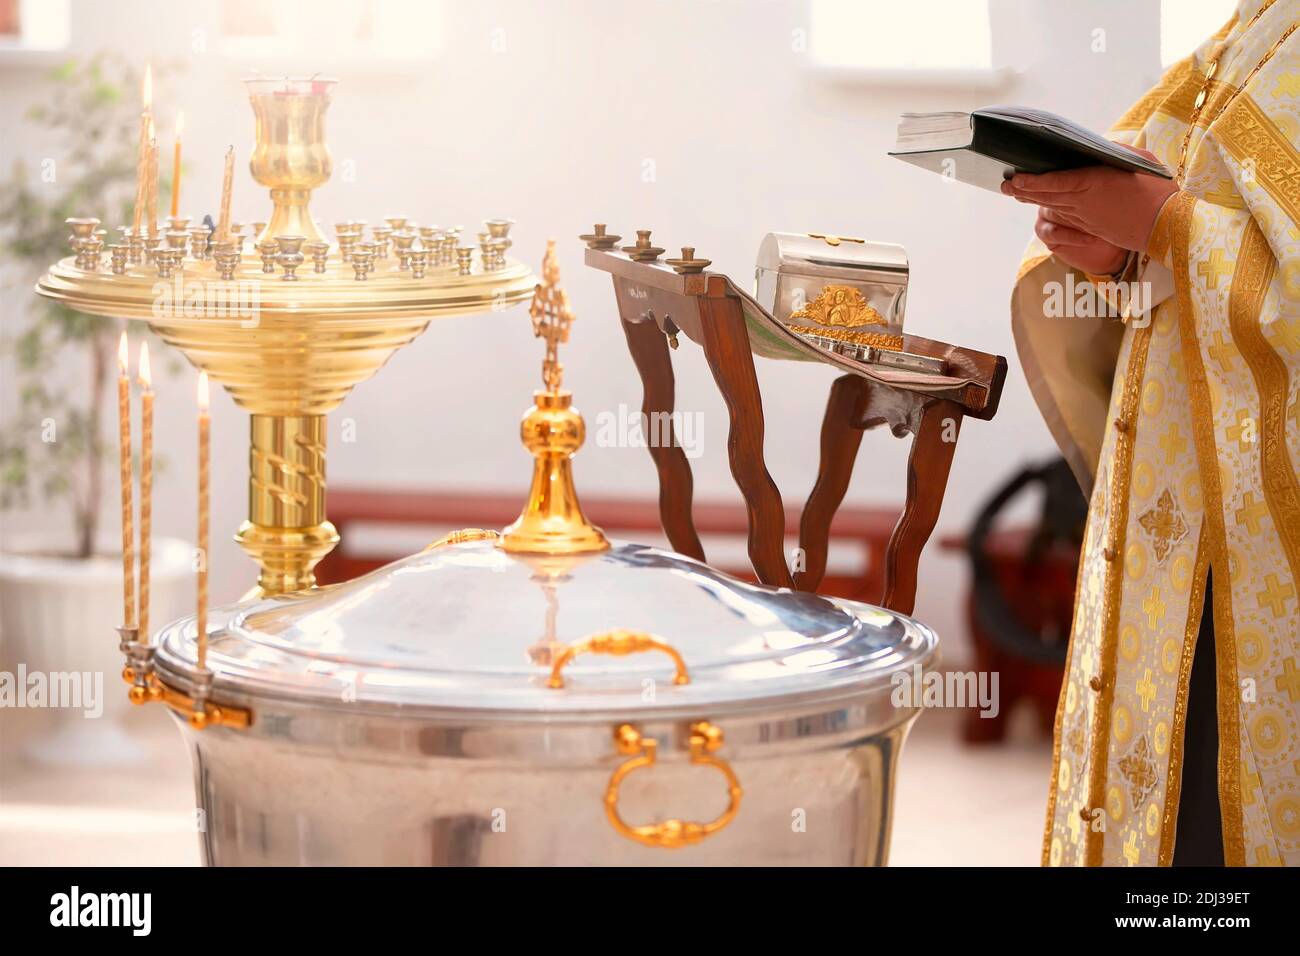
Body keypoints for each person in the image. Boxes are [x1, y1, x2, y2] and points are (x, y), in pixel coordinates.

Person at [1007, 0, 1298, 866]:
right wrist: (1120, 246)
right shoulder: (1260, 22)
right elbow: (1182, 209)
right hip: (1187, 515)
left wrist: (1162, 225)